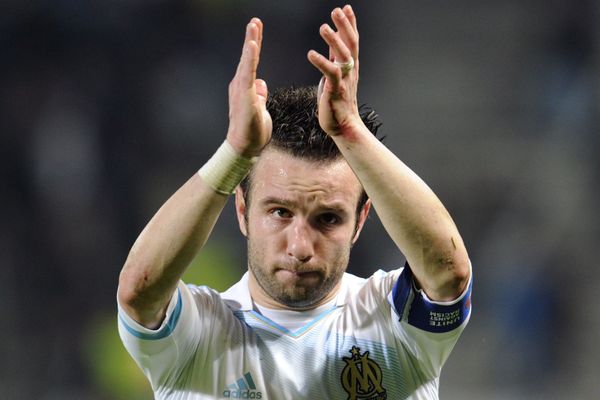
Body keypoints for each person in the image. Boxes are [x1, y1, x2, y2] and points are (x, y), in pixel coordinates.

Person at [117, 5, 472, 399]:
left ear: (360, 220)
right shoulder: (197, 335)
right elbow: (139, 291)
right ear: (242, 210)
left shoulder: (392, 322)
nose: (300, 246)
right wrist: (234, 153)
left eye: (328, 219)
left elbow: (448, 272)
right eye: (280, 212)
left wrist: (350, 131)